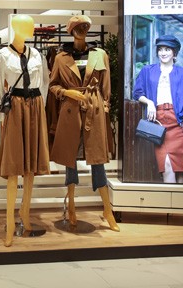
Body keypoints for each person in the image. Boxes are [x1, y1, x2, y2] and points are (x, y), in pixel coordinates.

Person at [48, 15, 119, 232]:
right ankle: (71, 205)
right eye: (77, 27)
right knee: (70, 158)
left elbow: (106, 86)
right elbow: (53, 86)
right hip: (70, 111)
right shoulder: (60, 57)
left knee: (98, 159)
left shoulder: (100, 54)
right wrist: (67, 92)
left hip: (93, 109)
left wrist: (104, 108)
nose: (82, 30)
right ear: (70, 31)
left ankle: (107, 210)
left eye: (85, 26)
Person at [0, 14, 50, 246]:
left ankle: (25, 212)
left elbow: (44, 82)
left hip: (35, 107)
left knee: (30, 166)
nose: (32, 29)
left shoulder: (37, 54)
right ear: (16, 28)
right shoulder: (2, 55)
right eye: (28, 25)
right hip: (15, 109)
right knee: (14, 165)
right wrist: (5, 112)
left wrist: (39, 108)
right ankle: (9, 220)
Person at [133, 35, 183, 183]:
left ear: (174, 52)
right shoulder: (147, 71)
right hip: (159, 123)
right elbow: (137, 93)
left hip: (181, 123)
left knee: (182, 172)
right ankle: (170, 197)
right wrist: (149, 102)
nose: (163, 53)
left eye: (167, 49)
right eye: (160, 49)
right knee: (167, 165)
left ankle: (179, 199)